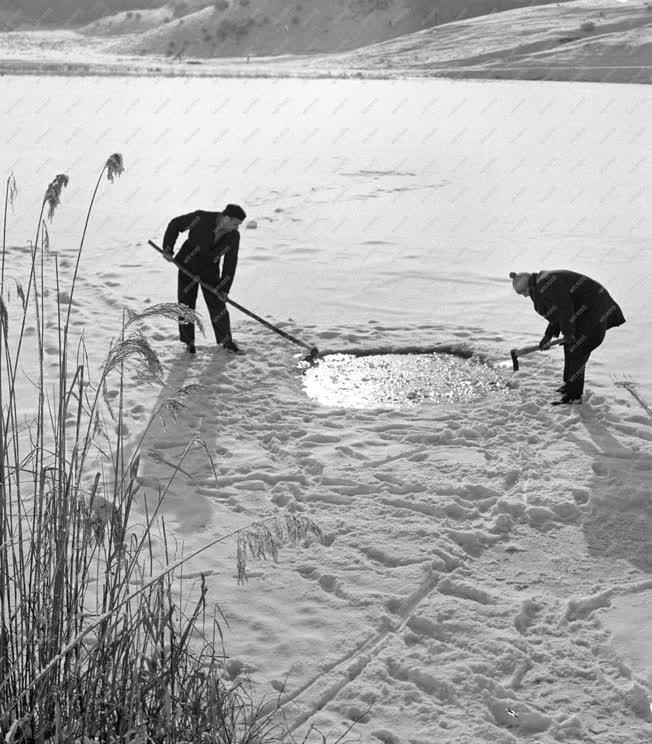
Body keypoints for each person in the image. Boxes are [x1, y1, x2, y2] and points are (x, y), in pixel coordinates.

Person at [510, 270, 625, 405]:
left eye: (524, 292)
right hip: (585, 313)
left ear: (529, 286)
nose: (525, 296)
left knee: (577, 350)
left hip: (593, 313)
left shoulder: (545, 283)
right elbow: (558, 312)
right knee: (571, 347)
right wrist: (548, 336)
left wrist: (568, 333)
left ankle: (574, 396)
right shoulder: (543, 282)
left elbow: (565, 307)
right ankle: (570, 386)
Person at [162, 203, 246, 354]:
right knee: (186, 305)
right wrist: (168, 249)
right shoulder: (200, 218)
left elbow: (230, 262)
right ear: (226, 218)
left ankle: (226, 342)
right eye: (235, 224)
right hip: (187, 265)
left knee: (218, 304)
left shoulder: (233, 236)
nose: (237, 228)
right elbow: (175, 224)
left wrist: (224, 288)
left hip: (210, 270)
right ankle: (188, 343)